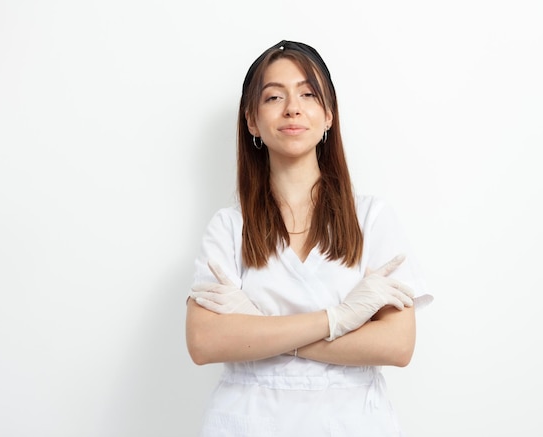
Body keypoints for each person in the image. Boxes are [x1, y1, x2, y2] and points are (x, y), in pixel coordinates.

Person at [185, 39, 433, 436]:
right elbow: (204, 341)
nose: (292, 108)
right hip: (249, 422)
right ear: (251, 121)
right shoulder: (228, 227)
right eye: (273, 97)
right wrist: (339, 320)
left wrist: (258, 328)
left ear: (329, 115)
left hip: (351, 422)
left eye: (308, 93)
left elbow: (397, 345)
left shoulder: (372, 218)